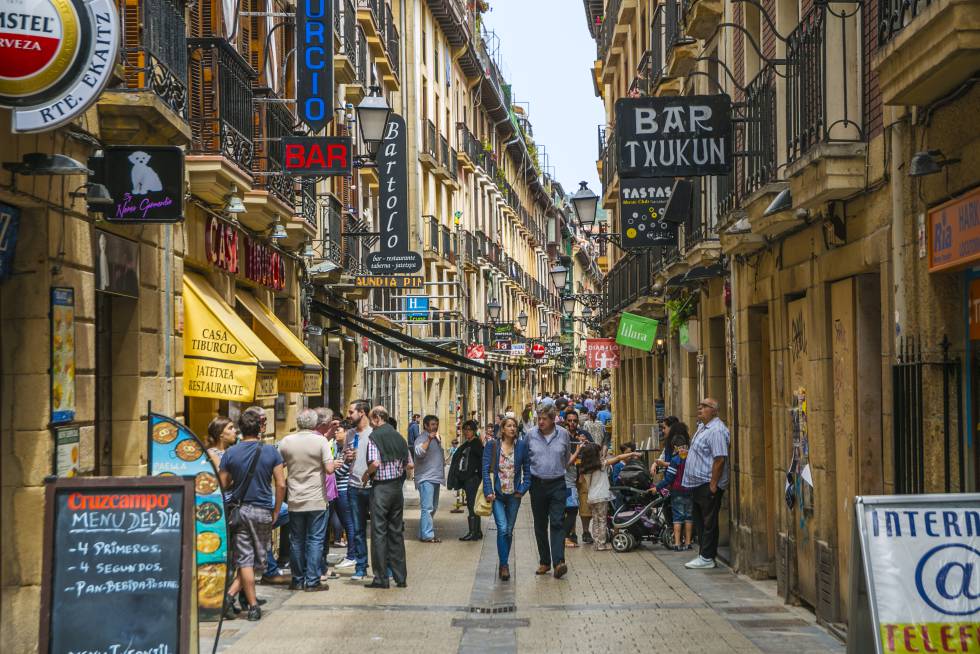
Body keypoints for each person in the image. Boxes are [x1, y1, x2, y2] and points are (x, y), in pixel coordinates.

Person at [218, 409, 285, 621]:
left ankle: (243, 601)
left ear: (241, 429)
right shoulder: (271, 452)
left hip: (240, 511)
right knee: (258, 561)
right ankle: (237, 598)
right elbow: (281, 484)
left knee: (245, 560)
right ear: (259, 429)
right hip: (263, 510)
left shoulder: (231, 453)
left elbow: (222, 483)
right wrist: (276, 510)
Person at [278, 409, 337, 591]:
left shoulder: (287, 441)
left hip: (295, 498)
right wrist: (335, 463)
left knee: (296, 539)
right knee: (315, 540)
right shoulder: (320, 441)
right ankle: (312, 581)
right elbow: (329, 469)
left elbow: (279, 464)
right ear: (314, 424)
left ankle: (297, 580)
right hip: (316, 499)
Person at [526, 403, 580, 579]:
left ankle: (559, 563)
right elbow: (525, 459)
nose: (540, 422)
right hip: (537, 484)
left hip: (558, 484)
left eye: (543, 419)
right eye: (538, 418)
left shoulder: (563, 434)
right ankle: (544, 561)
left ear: (552, 420)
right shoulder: (530, 435)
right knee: (540, 524)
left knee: (557, 522)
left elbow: (565, 459)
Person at [361, 406, 409, 589]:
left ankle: (381, 578)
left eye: (370, 419)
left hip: (381, 488)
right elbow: (409, 464)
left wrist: (366, 475)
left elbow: (375, 462)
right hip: (397, 488)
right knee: (396, 531)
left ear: (376, 418)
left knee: (379, 533)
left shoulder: (375, 437)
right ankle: (400, 576)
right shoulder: (399, 437)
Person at [682, 398, 730, 569]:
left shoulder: (716, 430)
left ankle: (707, 557)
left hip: (707, 483)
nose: (700, 408)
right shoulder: (702, 427)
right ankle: (704, 554)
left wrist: (713, 484)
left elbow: (719, 459)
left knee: (708, 522)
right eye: (699, 405)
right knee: (701, 521)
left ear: (714, 411)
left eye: (705, 406)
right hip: (697, 483)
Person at [481, 416, 530, 581]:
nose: (512, 429)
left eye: (514, 426)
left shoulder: (522, 446)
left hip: (514, 495)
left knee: (508, 530)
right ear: (502, 429)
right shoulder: (492, 446)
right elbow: (485, 469)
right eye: (509, 426)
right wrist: (488, 490)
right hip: (497, 496)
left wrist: (522, 490)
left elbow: (528, 472)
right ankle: (504, 564)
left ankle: (504, 562)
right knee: (502, 528)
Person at [581, 443, 640, 551]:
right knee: (602, 520)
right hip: (602, 497)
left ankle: (596, 542)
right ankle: (601, 544)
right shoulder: (602, 464)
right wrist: (633, 453)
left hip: (592, 497)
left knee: (595, 520)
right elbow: (618, 458)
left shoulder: (585, 468)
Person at [345, 400, 374, 581]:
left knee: (379, 529)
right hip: (354, 486)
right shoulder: (350, 434)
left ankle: (384, 567)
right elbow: (346, 457)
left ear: (362, 412)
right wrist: (347, 457)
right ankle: (361, 567)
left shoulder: (374, 433)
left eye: (350, 412)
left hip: (373, 486)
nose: (348, 415)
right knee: (357, 529)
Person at [656, 426, 694, 551]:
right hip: (690, 490)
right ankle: (688, 542)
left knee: (677, 517)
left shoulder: (675, 460)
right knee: (689, 517)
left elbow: (669, 478)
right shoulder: (691, 459)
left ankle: (677, 543)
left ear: (676, 447)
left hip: (677, 491)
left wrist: (657, 487)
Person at [450, 419, 485, 541]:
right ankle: (477, 531)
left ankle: (473, 532)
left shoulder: (476, 444)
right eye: (464, 429)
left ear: (474, 431)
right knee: (472, 505)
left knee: (472, 505)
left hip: (473, 480)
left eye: (469, 429)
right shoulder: (468, 444)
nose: (466, 432)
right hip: (468, 479)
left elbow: (480, 461)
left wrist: (475, 476)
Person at [414, 415, 445, 543]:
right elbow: (418, 453)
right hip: (426, 478)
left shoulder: (436, 439)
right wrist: (429, 439)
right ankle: (427, 535)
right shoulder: (421, 438)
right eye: (432, 424)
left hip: (435, 478)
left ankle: (423, 533)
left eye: (436, 424)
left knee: (433, 507)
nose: (435, 426)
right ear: (426, 425)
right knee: (427, 508)